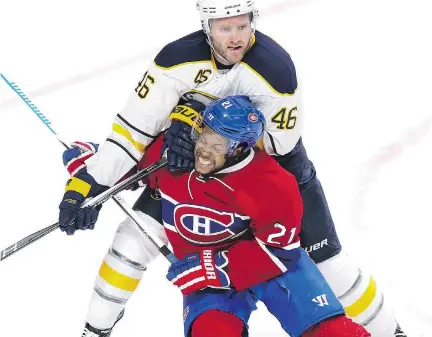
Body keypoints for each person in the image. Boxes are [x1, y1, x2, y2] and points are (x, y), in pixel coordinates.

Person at [58, 1, 406, 336]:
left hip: (267, 181)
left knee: (332, 269)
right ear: (206, 25)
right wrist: (91, 182)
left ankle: (392, 333)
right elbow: (132, 133)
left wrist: (193, 119)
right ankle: (94, 330)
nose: (236, 37)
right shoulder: (174, 61)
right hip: (198, 169)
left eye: (242, 25)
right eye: (225, 28)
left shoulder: (274, 69)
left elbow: (275, 146)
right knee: (128, 246)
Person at [63, 96, 371, 337]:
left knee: (334, 333)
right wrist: (88, 167)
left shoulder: (272, 184)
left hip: (272, 268)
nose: (204, 151)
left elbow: (281, 253)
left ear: (238, 148)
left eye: (218, 144)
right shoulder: (177, 156)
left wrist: (218, 268)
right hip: (208, 272)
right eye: (204, 137)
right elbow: (123, 162)